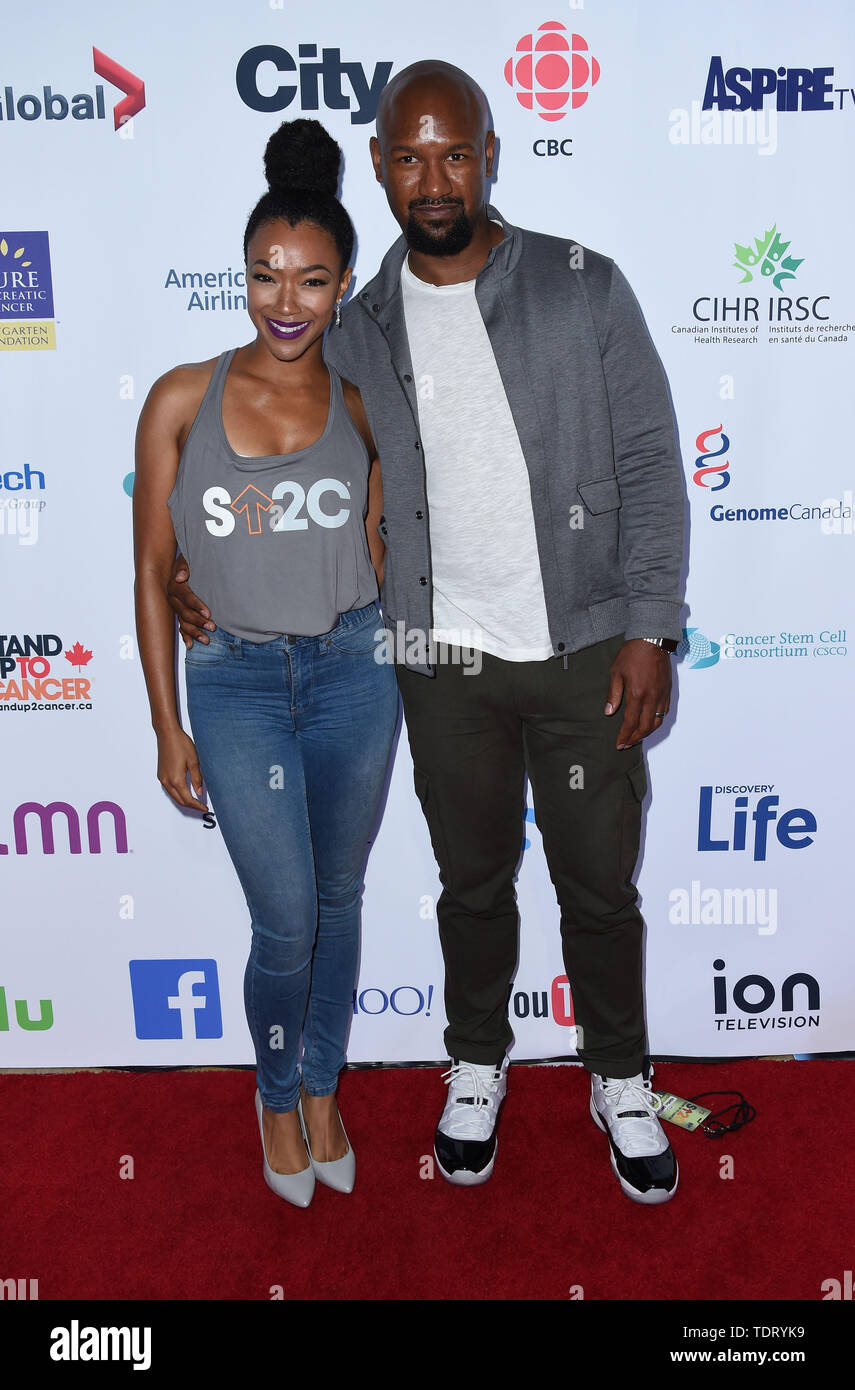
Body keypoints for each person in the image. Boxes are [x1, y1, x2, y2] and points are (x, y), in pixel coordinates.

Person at [168, 62, 686, 1205]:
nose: (435, 176)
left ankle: (621, 1072)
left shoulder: (580, 284)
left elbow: (651, 459)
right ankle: (477, 1062)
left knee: (598, 883)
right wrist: (189, 581)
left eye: (455, 152)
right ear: (383, 171)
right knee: (471, 880)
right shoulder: (357, 330)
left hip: (584, 647)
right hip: (436, 657)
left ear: (491, 153)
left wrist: (650, 625)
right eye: (411, 156)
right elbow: (276, 459)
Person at [133, 119, 399, 1209]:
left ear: (343, 286)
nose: (285, 302)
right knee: (285, 917)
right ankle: (276, 1089)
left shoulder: (369, 398)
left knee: (339, 898)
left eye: (312, 281)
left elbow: (394, 542)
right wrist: (166, 724)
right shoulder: (180, 398)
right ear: (241, 275)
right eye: (264, 277)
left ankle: (327, 1084)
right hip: (236, 683)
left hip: (353, 673)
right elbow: (153, 570)